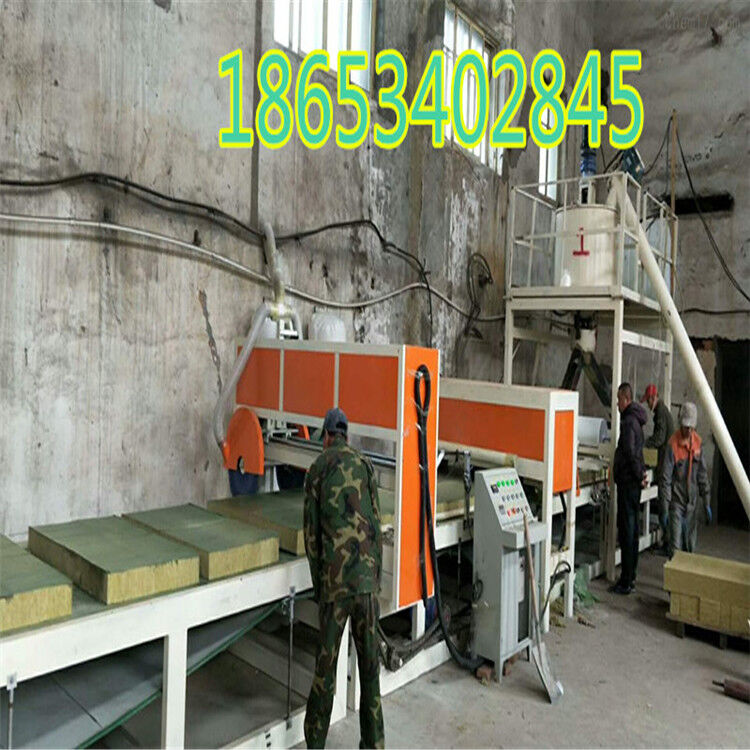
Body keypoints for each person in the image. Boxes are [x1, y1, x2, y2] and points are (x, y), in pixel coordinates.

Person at [303, 407, 384, 749]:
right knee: (370, 671)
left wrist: (320, 588)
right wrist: (374, 580)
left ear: (326, 436)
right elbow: (376, 525)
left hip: (335, 588)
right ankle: (374, 745)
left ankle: (315, 744)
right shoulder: (365, 465)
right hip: (366, 587)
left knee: (325, 673)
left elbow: (311, 538)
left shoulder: (317, 469)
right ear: (346, 435)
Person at [660, 402, 711, 557]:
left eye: (690, 427)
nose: (687, 430)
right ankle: (673, 572)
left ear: (694, 426)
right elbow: (665, 478)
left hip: (692, 505)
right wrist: (665, 507)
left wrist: (706, 501)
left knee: (690, 547)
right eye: (685, 426)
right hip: (676, 502)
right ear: (680, 424)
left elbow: (702, 475)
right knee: (675, 547)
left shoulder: (698, 444)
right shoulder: (672, 444)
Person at [611, 382, 648, 595]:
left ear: (626, 399)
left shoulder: (628, 423)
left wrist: (637, 475)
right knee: (632, 530)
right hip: (633, 482)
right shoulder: (636, 421)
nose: (617, 404)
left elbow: (630, 453)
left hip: (628, 484)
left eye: (618, 400)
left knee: (627, 531)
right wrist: (641, 475)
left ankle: (625, 581)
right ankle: (630, 577)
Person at [641, 384, 675, 553]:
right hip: (666, 461)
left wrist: (645, 443)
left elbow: (660, 438)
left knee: (664, 504)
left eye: (648, 401)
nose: (648, 405)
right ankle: (668, 540)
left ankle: (668, 544)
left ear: (653, 398)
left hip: (665, 464)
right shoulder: (663, 411)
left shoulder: (660, 413)